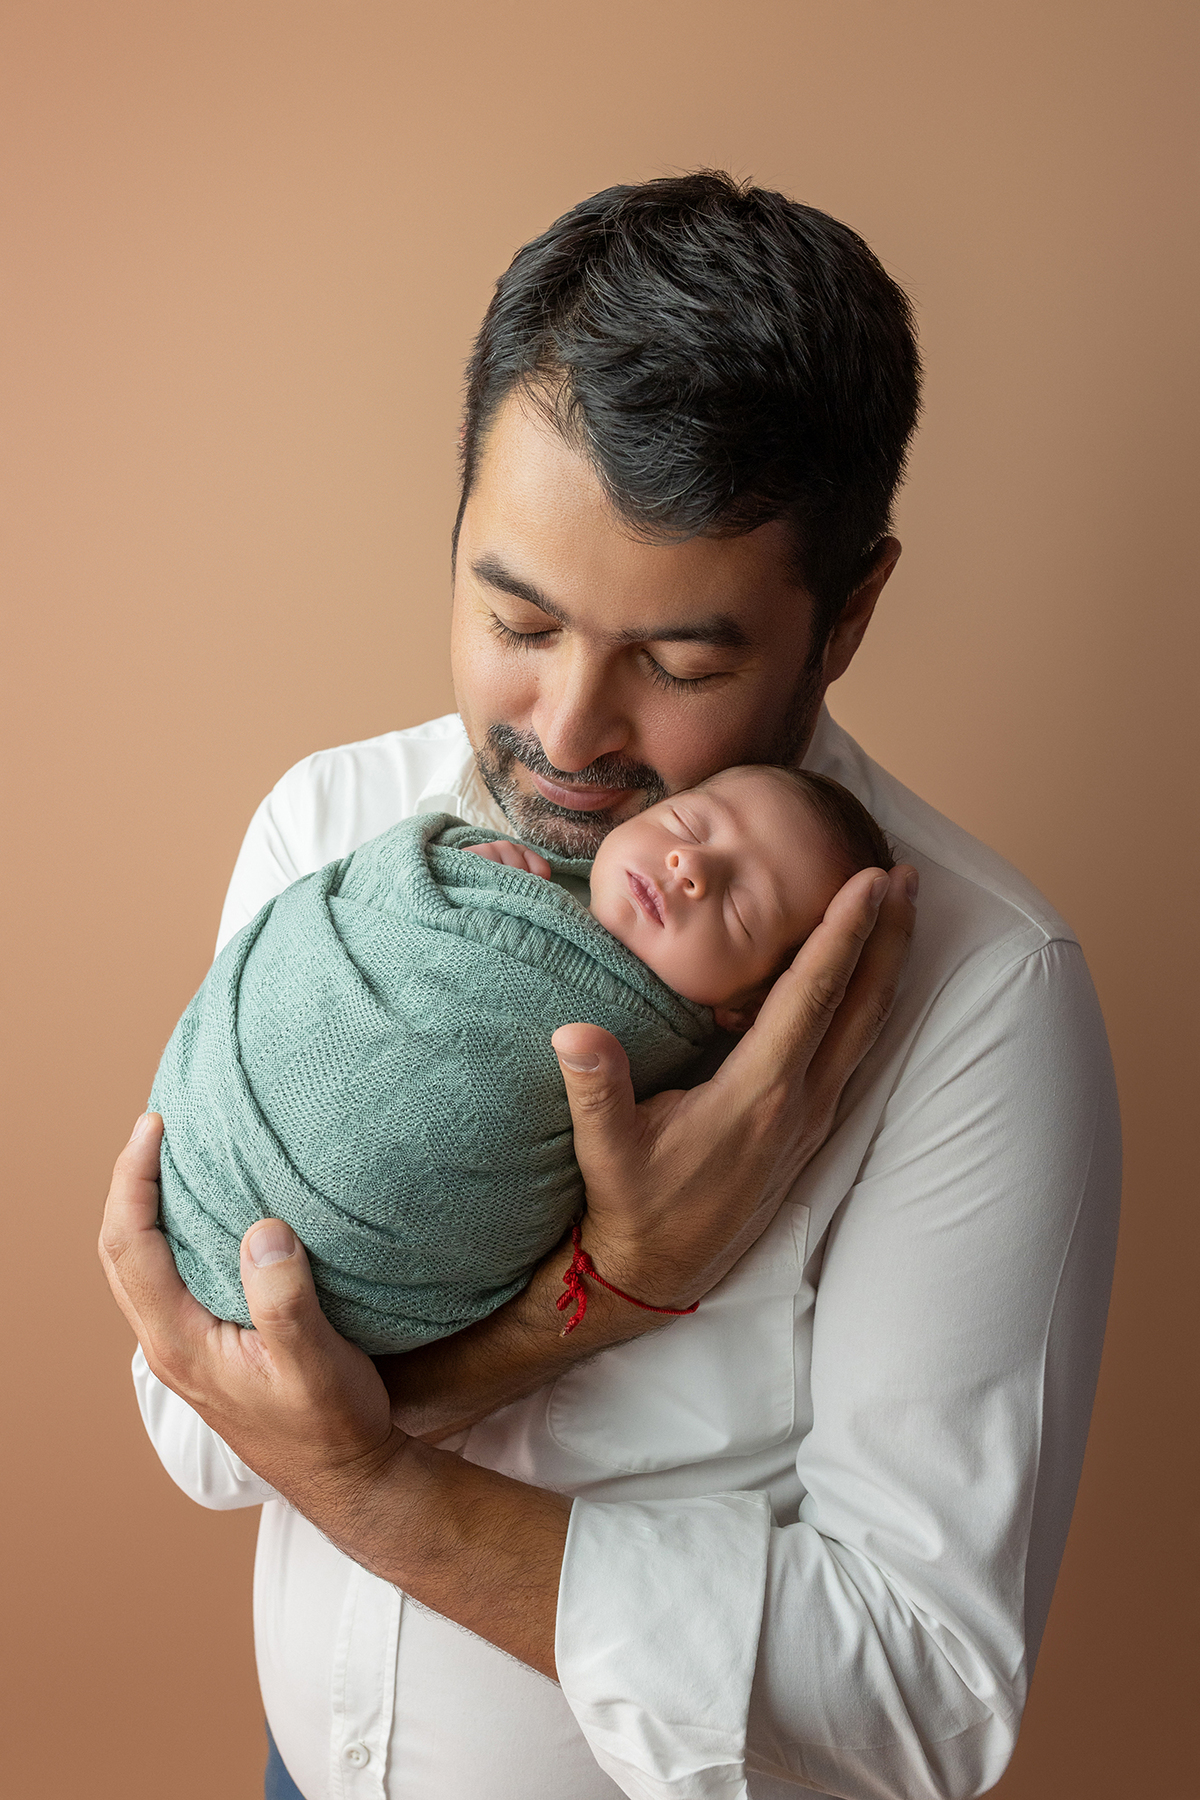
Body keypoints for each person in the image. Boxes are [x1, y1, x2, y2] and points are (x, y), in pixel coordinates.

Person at [100, 172, 1120, 1800]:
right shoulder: (332, 831)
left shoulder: (983, 1001)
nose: (568, 731)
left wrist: (371, 1484)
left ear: (843, 618)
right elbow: (191, 1418)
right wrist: (606, 1294)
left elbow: (924, 1700)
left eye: (681, 663)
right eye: (515, 616)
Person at [150, 765, 893, 1355]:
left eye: (739, 906)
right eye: (688, 823)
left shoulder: (685, 1089)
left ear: (748, 1009)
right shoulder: (357, 810)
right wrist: (473, 868)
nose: (690, 866)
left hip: (358, 1268)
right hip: (209, 1130)